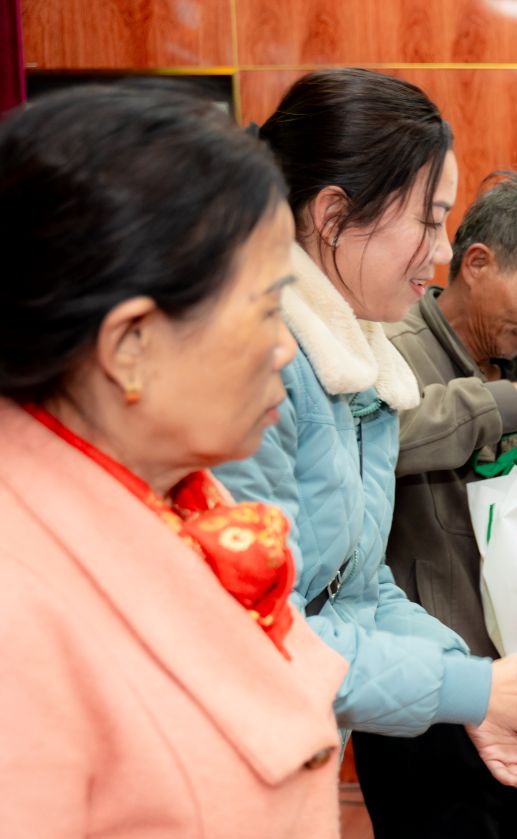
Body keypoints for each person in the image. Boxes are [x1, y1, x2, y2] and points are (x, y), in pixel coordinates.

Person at [213, 68, 517, 804]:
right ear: (334, 213)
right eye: (429, 219)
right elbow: (265, 633)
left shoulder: (354, 364)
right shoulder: (257, 369)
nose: (438, 251)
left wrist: (478, 690)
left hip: (299, 746)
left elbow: (361, 587)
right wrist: (474, 684)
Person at [0, 84, 347, 836]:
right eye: (266, 308)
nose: (284, 347)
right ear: (130, 344)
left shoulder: (182, 492)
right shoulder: (14, 612)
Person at [351, 173, 517, 838]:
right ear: (478, 262)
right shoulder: (391, 345)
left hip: (507, 678)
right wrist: (505, 406)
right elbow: (387, 432)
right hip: (423, 683)